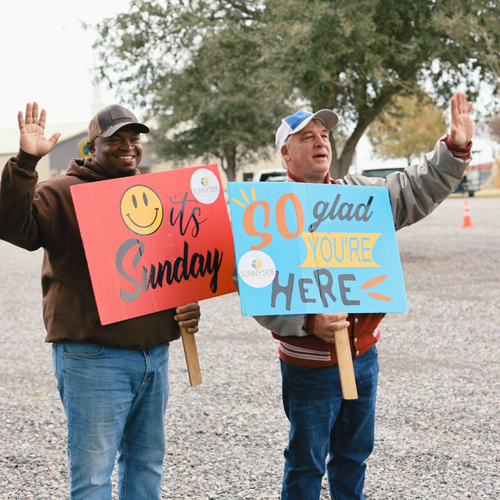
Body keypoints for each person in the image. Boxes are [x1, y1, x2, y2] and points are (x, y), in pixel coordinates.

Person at [253, 92, 473, 500]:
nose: (320, 142)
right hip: (309, 366)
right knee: (306, 462)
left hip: (362, 356)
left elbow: (414, 187)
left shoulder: (359, 195)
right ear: (285, 153)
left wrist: (453, 150)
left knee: (353, 457)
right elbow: (257, 282)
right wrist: (307, 321)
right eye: (307, 137)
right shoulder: (267, 211)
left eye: (324, 135)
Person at [0, 102, 201, 500]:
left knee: (146, 464)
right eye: (115, 140)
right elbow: (11, 225)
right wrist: (25, 161)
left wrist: (185, 304)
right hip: (94, 358)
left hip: (154, 356)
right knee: (94, 476)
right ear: (91, 148)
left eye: (134, 138)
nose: (128, 147)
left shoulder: (155, 197)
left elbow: (167, 269)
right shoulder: (61, 193)